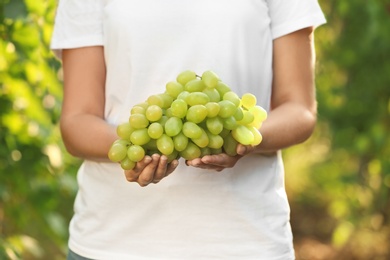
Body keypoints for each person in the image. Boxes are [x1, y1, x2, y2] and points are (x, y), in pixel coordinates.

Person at [51, 0, 326, 259]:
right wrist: (142, 149)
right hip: (111, 243)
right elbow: (77, 121)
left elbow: (299, 109)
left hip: (246, 243)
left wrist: (245, 137)